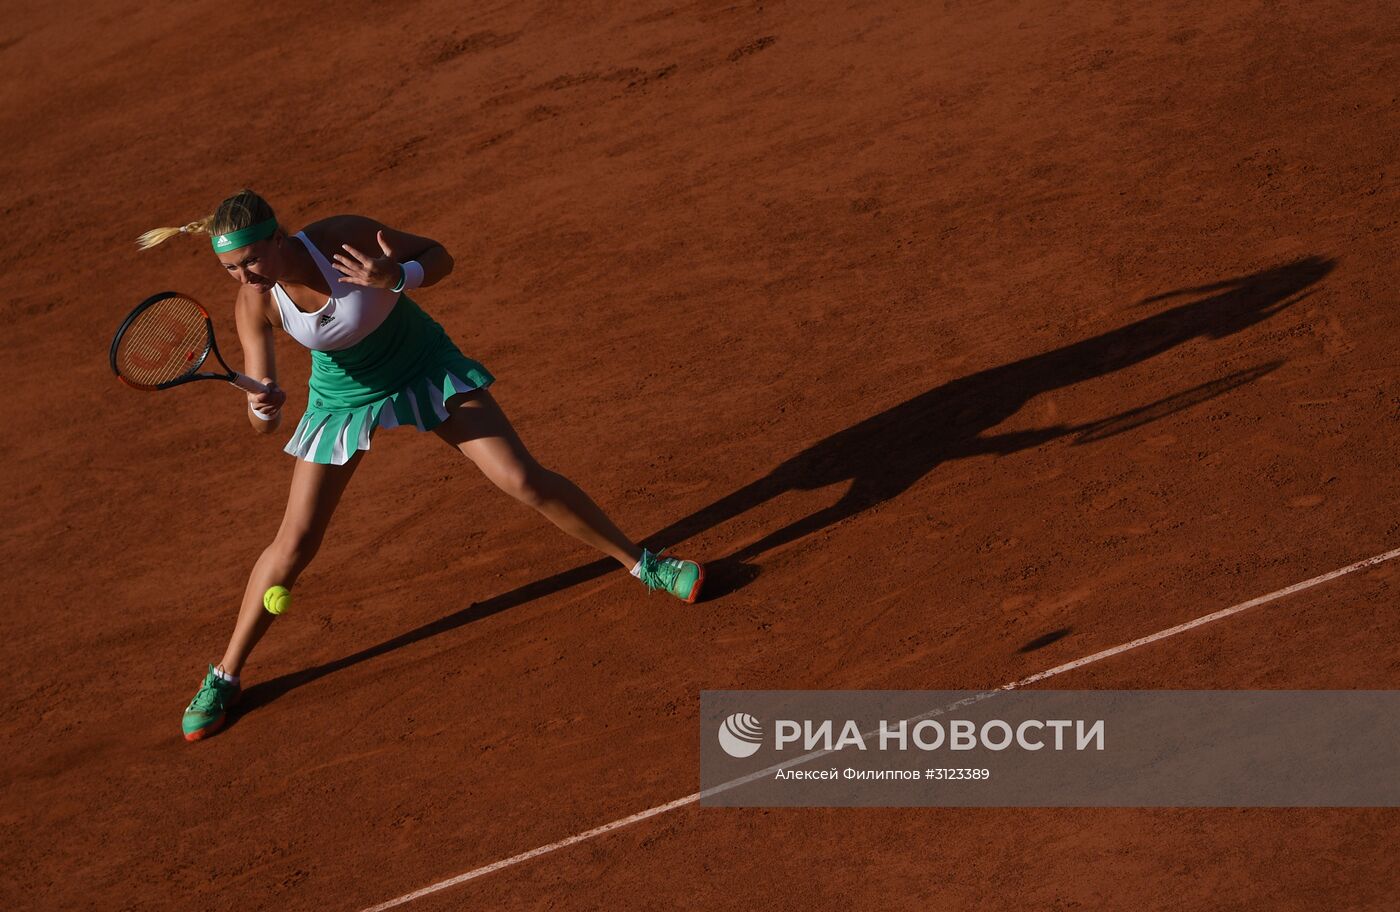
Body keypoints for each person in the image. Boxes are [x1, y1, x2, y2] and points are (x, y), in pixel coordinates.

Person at [138, 189, 704, 742]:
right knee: (295, 543)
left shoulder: (341, 237)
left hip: (424, 364)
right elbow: (263, 420)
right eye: (231, 268)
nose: (245, 276)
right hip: (342, 398)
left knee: (521, 478)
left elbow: (439, 255)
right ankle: (225, 675)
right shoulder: (254, 303)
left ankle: (645, 566)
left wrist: (398, 278)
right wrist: (262, 405)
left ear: (278, 237)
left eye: (251, 260)